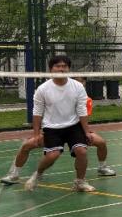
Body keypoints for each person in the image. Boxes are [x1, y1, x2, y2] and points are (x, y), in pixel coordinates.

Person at [0, 69, 116, 186]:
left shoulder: (85, 99)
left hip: (75, 132)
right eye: (77, 81)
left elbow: (83, 117)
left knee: (101, 143)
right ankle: (14, 175)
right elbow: (40, 113)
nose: (79, 83)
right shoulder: (51, 93)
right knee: (27, 146)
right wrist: (39, 133)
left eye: (82, 81)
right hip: (54, 131)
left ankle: (102, 168)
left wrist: (86, 131)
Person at [18, 55, 97, 193]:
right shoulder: (42, 89)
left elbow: (82, 110)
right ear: (51, 69)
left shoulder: (78, 86)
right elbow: (37, 112)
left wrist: (86, 131)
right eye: (58, 66)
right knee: (52, 155)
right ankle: (38, 174)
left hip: (73, 126)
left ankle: (80, 182)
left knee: (82, 151)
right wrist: (36, 134)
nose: (61, 69)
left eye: (64, 66)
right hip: (52, 127)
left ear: (69, 69)